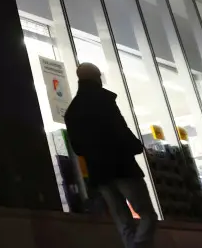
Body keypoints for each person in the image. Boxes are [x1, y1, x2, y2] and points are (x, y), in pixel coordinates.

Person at [63, 62, 157, 248]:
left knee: (123, 221)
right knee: (147, 214)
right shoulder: (104, 100)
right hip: (121, 167)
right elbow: (119, 129)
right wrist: (136, 146)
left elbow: (78, 148)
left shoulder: (72, 111)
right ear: (96, 77)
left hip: (100, 174)